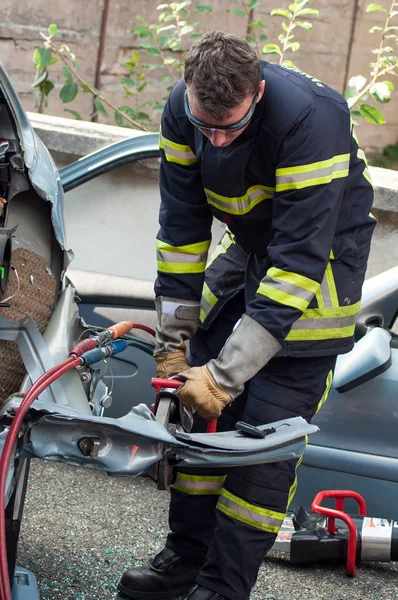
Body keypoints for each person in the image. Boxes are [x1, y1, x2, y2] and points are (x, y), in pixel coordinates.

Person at [118, 30, 376, 600]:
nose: (215, 139)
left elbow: (296, 263)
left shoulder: (313, 120)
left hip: (318, 268)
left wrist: (226, 376)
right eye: (204, 124)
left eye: (229, 127)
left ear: (257, 93)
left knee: (263, 443)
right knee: (203, 422)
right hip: (251, 252)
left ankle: (222, 588)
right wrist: (174, 341)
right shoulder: (184, 113)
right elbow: (182, 235)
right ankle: (184, 563)